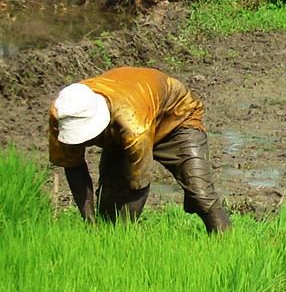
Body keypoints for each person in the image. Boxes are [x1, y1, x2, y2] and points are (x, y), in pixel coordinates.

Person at [48, 66, 231, 233]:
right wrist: (91, 224)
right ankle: (107, 240)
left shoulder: (133, 125)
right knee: (109, 200)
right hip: (122, 126)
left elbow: (139, 185)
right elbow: (74, 168)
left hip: (176, 119)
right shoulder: (63, 112)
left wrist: (124, 235)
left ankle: (224, 242)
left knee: (200, 193)